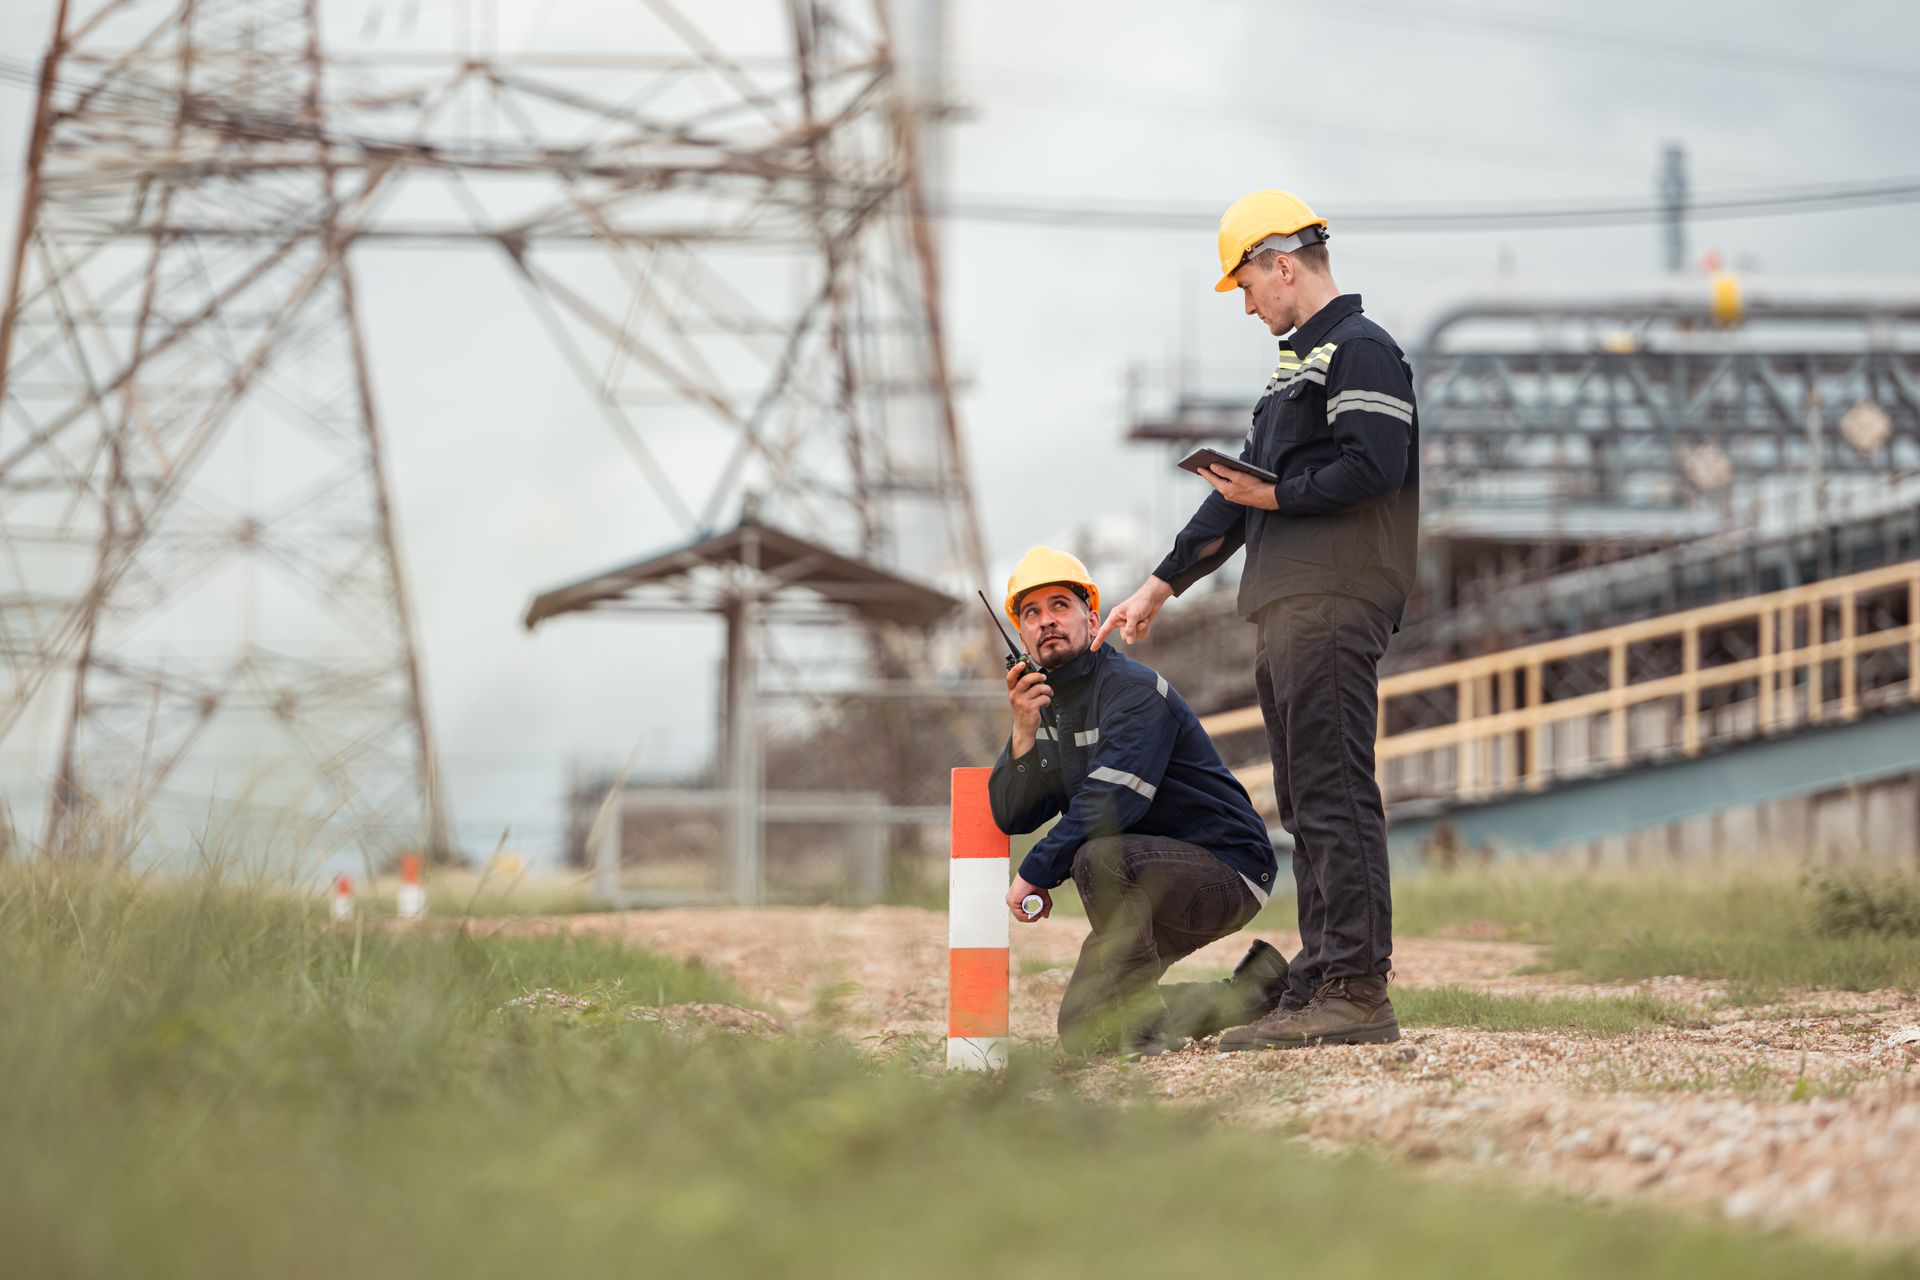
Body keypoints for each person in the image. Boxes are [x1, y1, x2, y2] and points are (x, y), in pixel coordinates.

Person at [1095, 188, 1419, 1050]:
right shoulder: (1294, 373)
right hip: (1286, 606)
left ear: (1283, 263)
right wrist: (1160, 584)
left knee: (1336, 794)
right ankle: (1322, 971)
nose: (1245, 303)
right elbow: (1242, 498)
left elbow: (1374, 467)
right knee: (1306, 799)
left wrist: (1276, 493)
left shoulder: (1362, 352)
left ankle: (1356, 988)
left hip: (1335, 598)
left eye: (1244, 284)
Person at [987, 546, 1289, 1058]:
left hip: (1226, 868)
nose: (1046, 622)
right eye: (1031, 614)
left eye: (1059, 605)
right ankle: (1256, 992)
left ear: (1090, 614)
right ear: (1022, 636)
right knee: (1085, 1028)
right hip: (1145, 880)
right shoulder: (1047, 709)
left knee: (1099, 854)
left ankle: (1143, 1029)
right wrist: (1022, 730)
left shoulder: (1132, 692)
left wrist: (1036, 871)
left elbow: (1111, 804)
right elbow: (1013, 814)